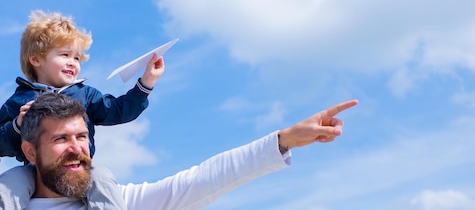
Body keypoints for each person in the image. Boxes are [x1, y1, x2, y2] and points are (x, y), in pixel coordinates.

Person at [19, 92, 357, 209]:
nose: (77, 148)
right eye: (61, 139)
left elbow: (201, 181)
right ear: (31, 153)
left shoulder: (116, 202)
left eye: (81, 137)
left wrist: (282, 140)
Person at [0, 10, 165, 209]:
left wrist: (146, 83)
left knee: (102, 177)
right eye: (65, 55)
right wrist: (17, 125)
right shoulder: (19, 101)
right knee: (9, 182)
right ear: (36, 59)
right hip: (33, 171)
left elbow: (118, 110)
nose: (73, 62)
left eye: (77, 58)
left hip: (78, 168)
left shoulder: (85, 95)